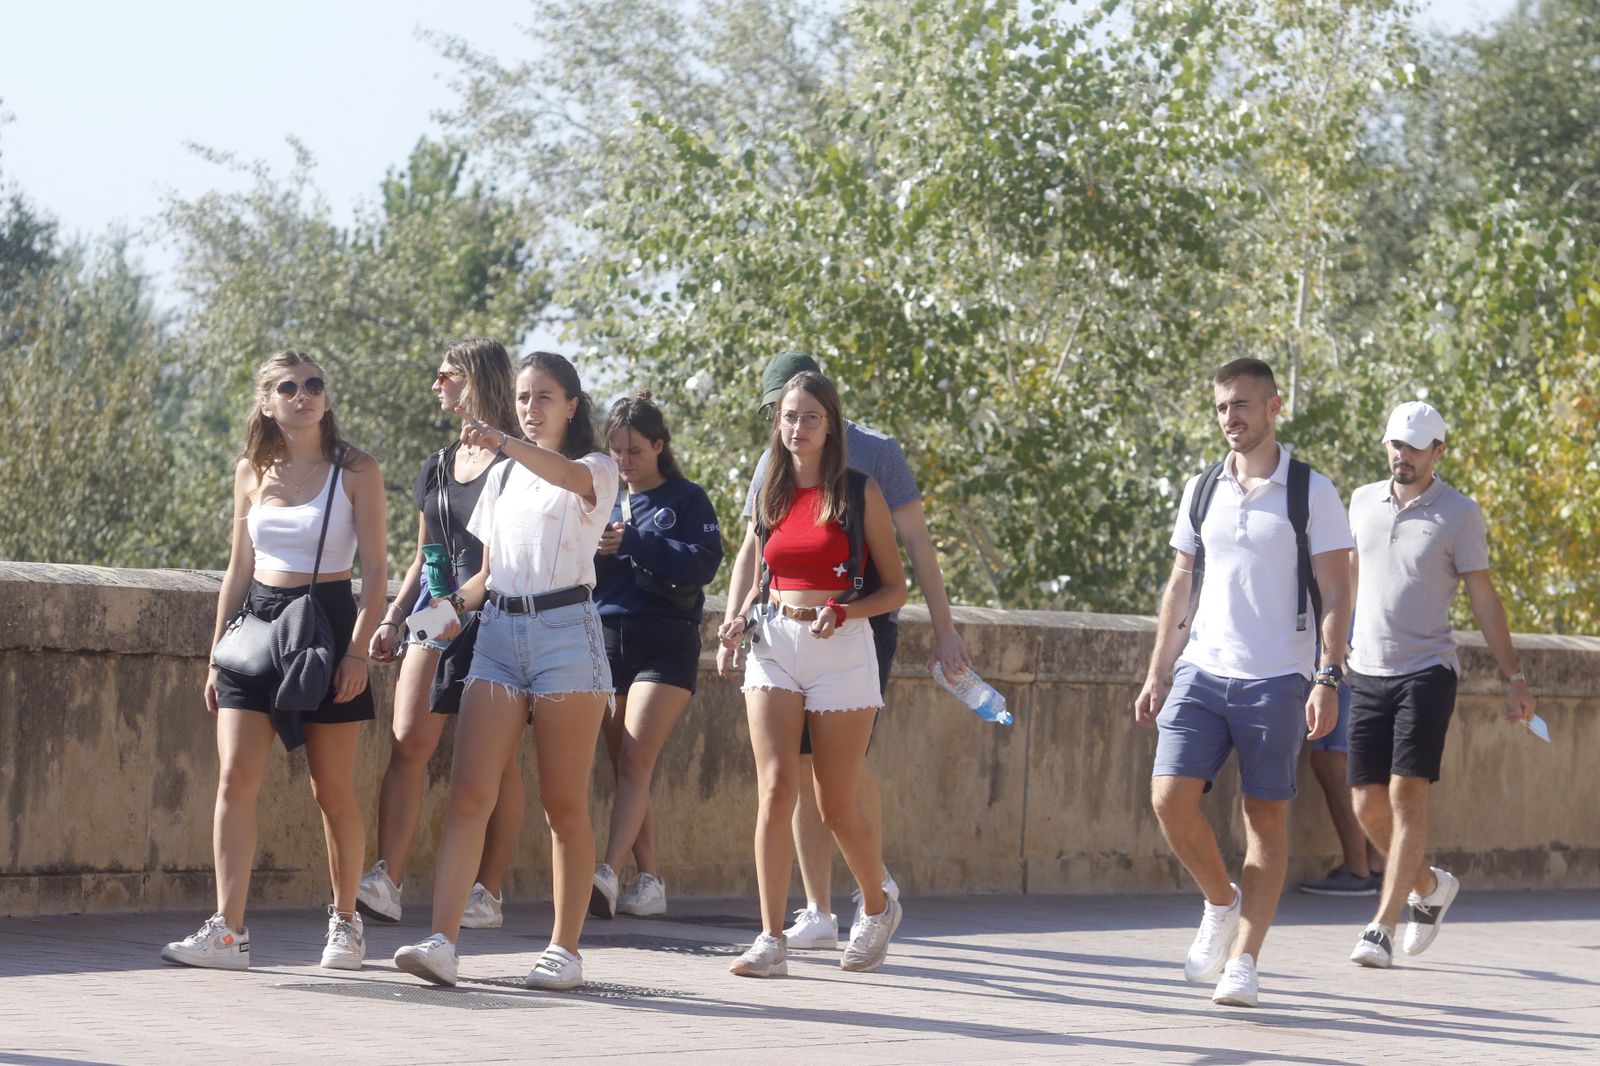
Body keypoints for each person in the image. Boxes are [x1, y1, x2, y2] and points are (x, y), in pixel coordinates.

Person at [717, 350, 971, 951]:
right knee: (780, 782)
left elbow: (914, 550)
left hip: (854, 630)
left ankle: (873, 898)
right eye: (785, 416)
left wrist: (945, 629)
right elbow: (752, 556)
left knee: (837, 790)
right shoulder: (772, 473)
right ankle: (785, 928)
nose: (794, 427)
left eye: (807, 415)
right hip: (776, 639)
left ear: (829, 416)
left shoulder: (873, 462)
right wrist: (733, 620)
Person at [393, 351, 618, 991]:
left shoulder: (594, 468)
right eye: (523, 397)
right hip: (498, 631)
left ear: (572, 406)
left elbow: (570, 479)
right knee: (469, 793)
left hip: (566, 634)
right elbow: (485, 575)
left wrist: (506, 443)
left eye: (545, 397)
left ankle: (563, 949)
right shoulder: (503, 478)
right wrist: (428, 617)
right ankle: (442, 941)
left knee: (562, 802)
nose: (531, 408)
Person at [1134, 357, 1352, 1008]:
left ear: (1274, 406)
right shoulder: (1203, 488)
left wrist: (1328, 676)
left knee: (1266, 820)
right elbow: (1181, 582)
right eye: (1223, 406)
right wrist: (1157, 670)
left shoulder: (1310, 491)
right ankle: (1220, 901)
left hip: (1278, 676)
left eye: (1243, 405)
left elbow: (1339, 588)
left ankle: (1245, 961)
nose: (1231, 417)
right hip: (1204, 666)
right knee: (1169, 798)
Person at [162, 350, 387, 971]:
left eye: (314, 385)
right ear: (267, 402)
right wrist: (214, 655)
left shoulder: (357, 471)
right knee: (235, 779)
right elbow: (237, 569)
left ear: (326, 399)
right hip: (256, 626)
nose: (304, 394)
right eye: (288, 387)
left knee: (331, 790)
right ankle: (227, 932)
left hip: (326, 624)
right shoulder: (250, 470)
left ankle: (346, 922)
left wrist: (356, 651)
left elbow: (375, 576)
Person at [1345, 401, 1537, 968]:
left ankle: (1380, 926)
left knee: (1406, 794)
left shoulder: (1460, 514)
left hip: (1427, 671)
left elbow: (1484, 599)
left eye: (1414, 447)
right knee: (1365, 805)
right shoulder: (1360, 502)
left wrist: (1515, 677)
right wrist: (1331, 655)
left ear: (1439, 452)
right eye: (1394, 446)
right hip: (1367, 669)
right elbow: (1349, 582)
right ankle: (1429, 885)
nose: (1401, 457)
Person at [358, 338, 524, 929]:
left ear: (475, 380)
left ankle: (489, 890)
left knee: (495, 765)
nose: (436, 385)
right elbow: (427, 551)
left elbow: (502, 561)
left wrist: (444, 606)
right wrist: (394, 616)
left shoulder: (517, 463)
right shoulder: (438, 462)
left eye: (445, 374)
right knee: (408, 739)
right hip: (439, 609)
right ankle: (386, 880)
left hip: (497, 614)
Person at [590, 391, 724, 918]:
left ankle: (605, 872)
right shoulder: (599, 497)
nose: (624, 462)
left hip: (666, 641)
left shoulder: (686, 499)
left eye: (636, 451)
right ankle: (648, 880)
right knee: (624, 766)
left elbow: (703, 563)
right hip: (603, 638)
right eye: (617, 451)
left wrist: (634, 542)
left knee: (637, 758)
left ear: (659, 447)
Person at [1297, 678, 1385, 896]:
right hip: (1372, 662)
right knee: (1374, 754)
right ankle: (1376, 865)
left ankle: (1358, 869)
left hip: (1344, 664)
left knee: (1330, 756)